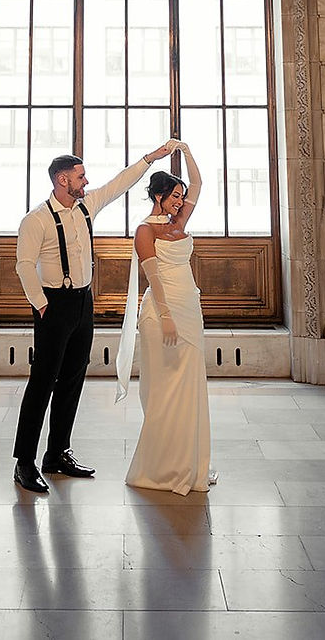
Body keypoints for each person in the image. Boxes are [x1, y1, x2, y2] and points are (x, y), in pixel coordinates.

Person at [12, 140, 178, 494]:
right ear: (61, 180)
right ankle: (24, 463)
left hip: (82, 304)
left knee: (73, 379)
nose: (86, 182)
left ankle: (56, 454)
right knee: (42, 383)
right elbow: (24, 266)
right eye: (80, 177)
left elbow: (120, 183)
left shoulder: (86, 206)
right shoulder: (36, 220)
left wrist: (150, 158)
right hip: (52, 305)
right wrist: (41, 305)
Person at [115, 141, 214, 495]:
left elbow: (199, 185)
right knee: (164, 388)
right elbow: (153, 278)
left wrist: (186, 152)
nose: (180, 202)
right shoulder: (146, 231)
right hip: (162, 314)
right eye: (174, 196)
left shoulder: (180, 222)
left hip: (190, 308)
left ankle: (188, 461)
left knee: (190, 384)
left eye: (180, 196)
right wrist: (167, 316)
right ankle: (159, 468)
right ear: (158, 196)